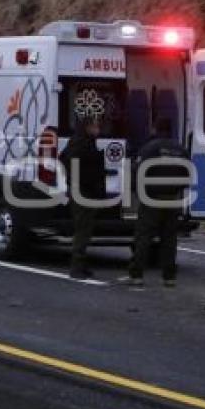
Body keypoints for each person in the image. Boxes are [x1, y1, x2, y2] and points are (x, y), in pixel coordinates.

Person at [122, 121, 188, 288]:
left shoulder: (149, 148)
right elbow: (187, 176)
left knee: (143, 237)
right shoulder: (180, 150)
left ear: (155, 129)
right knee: (169, 239)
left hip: (151, 198)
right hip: (173, 199)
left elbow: (138, 171)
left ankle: (136, 274)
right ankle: (169, 277)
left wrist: (138, 191)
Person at [60, 117, 106, 280]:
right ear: (87, 128)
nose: (97, 130)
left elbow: (63, 158)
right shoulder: (83, 145)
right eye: (95, 127)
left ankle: (81, 264)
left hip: (79, 189)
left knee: (85, 229)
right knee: (83, 230)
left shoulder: (78, 142)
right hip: (83, 191)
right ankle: (76, 266)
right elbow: (88, 167)